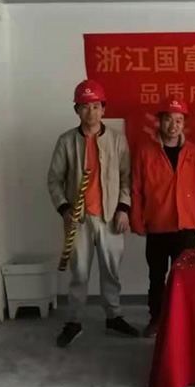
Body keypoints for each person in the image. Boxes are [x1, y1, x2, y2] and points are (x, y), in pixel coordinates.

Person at [47, 79, 139, 347]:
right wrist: (64, 209)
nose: (91, 112)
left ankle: (114, 316)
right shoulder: (66, 141)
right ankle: (74, 321)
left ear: (104, 109)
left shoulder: (117, 140)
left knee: (111, 271)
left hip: (110, 217)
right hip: (78, 219)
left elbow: (127, 177)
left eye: (96, 106)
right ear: (77, 110)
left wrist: (123, 208)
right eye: (85, 107)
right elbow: (54, 180)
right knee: (79, 273)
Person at [131, 97, 195, 337]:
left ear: (184, 123)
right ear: (159, 122)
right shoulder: (145, 151)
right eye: (168, 120)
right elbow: (136, 188)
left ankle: (183, 322)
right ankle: (156, 319)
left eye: (179, 120)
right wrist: (136, 219)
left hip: (186, 225)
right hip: (157, 224)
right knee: (156, 277)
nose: (173, 125)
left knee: (184, 278)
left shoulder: (193, 152)